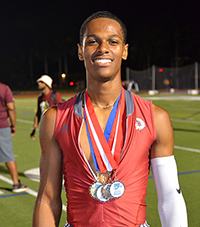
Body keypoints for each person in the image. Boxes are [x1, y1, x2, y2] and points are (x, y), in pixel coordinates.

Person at [33, 11, 188, 227]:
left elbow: (170, 198)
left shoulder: (156, 117)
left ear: (124, 51)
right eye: (92, 41)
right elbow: (48, 200)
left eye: (112, 41)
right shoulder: (55, 118)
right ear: (80, 51)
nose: (103, 48)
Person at [0, 82, 28, 193]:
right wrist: (14, 125)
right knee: (8, 155)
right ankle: (16, 183)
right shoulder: (4, 88)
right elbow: (10, 107)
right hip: (2, 126)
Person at [30, 75, 63, 140]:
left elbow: (62, 111)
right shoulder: (40, 98)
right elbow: (38, 113)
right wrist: (35, 126)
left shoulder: (55, 95)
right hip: (46, 127)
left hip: (56, 128)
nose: (39, 84)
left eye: (41, 82)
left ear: (47, 84)